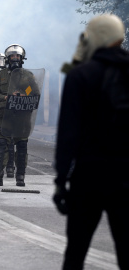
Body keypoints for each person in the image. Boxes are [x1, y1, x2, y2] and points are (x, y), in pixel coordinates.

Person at [53, 14, 129, 270]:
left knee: (76, 250)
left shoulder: (80, 75)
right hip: (127, 176)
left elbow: (68, 134)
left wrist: (61, 179)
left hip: (89, 175)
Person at [0, 44, 42, 187]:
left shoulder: (28, 76)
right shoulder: (1, 75)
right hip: (4, 115)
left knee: (22, 145)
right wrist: (6, 97)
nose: (15, 58)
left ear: (22, 58)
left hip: (22, 117)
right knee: (1, 144)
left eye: (17, 56)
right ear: (8, 58)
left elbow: (35, 93)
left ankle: (20, 176)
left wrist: (24, 95)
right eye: (12, 56)